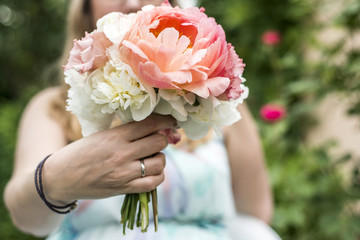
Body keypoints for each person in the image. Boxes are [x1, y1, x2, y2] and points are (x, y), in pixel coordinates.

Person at [4, 0, 280, 239]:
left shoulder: (218, 98)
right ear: (86, 7)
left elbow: (255, 213)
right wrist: (58, 180)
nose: (134, 2)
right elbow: (26, 217)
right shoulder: (52, 107)